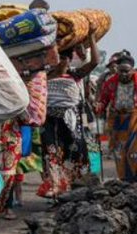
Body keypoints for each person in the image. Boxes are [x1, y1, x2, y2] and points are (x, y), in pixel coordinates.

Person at [0, 68, 48, 220]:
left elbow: (27, 117)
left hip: (9, 138)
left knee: (9, 174)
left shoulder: (18, 96)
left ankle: (6, 207)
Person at [39, 37, 99, 198]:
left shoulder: (76, 74)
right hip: (49, 121)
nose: (60, 62)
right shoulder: (44, 76)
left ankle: (74, 189)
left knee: (76, 152)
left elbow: (95, 62)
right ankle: (55, 190)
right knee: (51, 154)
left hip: (72, 120)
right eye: (58, 58)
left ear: (70, 60)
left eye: (64, 58)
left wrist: (91, 38)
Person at [97, 51, 137, 181]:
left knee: (133, 150)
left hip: (134, 118)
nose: (124, 74)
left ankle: (135, 178)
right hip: (117, 120)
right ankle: (124, 179)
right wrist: (99, 112)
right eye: (121, 71)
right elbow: (103, 101)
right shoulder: (110, 82)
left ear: (132, 70)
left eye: (127, 71)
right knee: (119, 152)